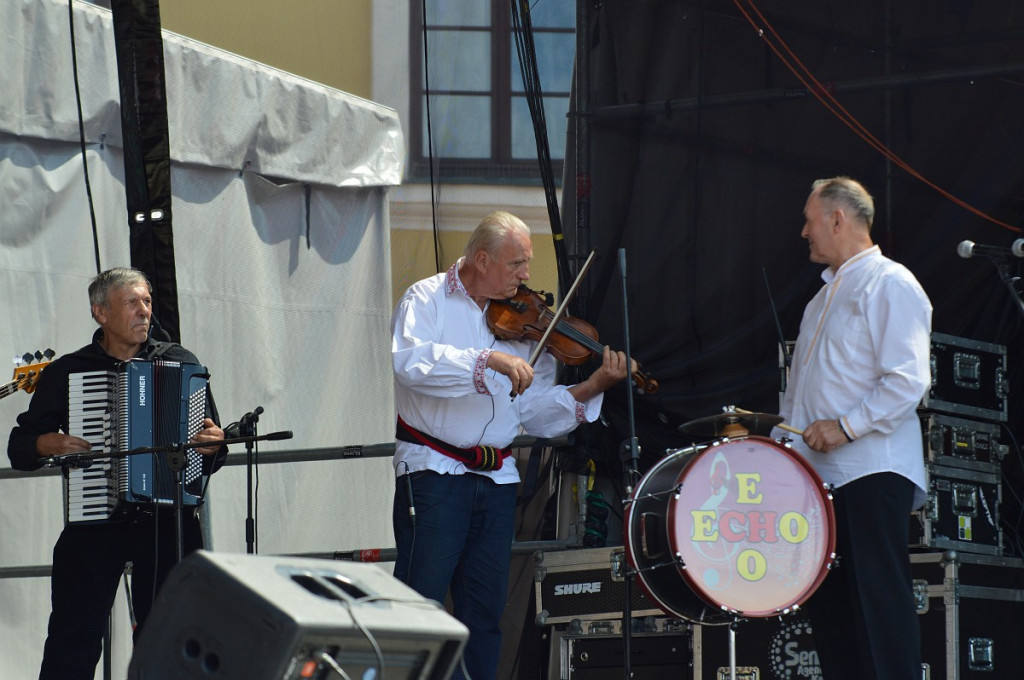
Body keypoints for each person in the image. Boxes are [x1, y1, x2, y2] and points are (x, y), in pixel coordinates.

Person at [391, 211, 631, 680]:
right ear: (481, 259)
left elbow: (532, 411)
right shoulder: (426, 298)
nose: (526, 276)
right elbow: (411, 365)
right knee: (419, 606)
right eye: (516, 264)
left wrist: (593, 385)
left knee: (484, 615)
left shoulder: (524, 322)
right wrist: (488, 360)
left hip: (498, 481)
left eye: (527, 263)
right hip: (435, 473)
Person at [7, 267, 227, 680]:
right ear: (101, 312)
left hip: (166, 522)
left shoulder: (180, 362)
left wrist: (213, 445)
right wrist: (45, 443)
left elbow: (212, 452)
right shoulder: (69, 372)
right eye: (132, 302)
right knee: (73, 637)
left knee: (168, 638)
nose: (144, 311)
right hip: (96, 521)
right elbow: (19, 446)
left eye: (147, 302)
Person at [771, 177, 931, 680]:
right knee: (833, 618)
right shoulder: (818, 302)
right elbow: (798, 400)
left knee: (877, 610)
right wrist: (778, 452)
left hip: (870, 472)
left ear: (838, 219)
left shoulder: (891, 282)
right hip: (820, 485)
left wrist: (845, 426)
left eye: (809, 220)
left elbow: (909, 380)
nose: (803, 232)